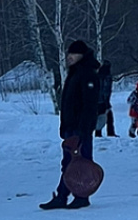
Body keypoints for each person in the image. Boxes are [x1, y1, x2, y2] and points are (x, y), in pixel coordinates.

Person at [40, 39, 100, 210]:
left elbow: (89, 105)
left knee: (82, 163)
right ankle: (63, 195)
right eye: (69, 54)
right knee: (68, 162)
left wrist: (83, 129)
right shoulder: (75, 73)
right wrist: (64, 125)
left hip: (81, 128)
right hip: (71, 127)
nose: (69, 57)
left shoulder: (88, 74)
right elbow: (68, 103)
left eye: (73, 54)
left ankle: (81, 195)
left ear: (81, 55)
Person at [95, 59, 116, 138]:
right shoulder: (105, 77)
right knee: (104, 117)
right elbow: (104, 91)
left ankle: (101, 133)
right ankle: (101, 133)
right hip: (102, 101)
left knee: (104, 117)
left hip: (102, 101)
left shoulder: (101, 76)